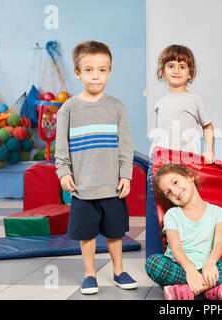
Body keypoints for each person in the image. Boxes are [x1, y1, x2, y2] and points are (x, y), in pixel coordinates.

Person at [55, 40, 137, 294]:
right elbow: (62, 148)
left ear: (110, 72)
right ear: (78, 73)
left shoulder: (117, 107)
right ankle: (90, 274)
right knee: (86, 235)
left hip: (111, 186)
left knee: (115, 233)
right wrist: (64, 172)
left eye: (102, 70)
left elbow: (125, 146)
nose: (96, 75)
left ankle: (118, 271)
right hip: (83, 187)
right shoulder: (68, 109)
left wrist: (126, 176)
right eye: (89, 70)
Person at [145, 163, 222, 300]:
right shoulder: (172, 215)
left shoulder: (218, 212)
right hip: (181, 270)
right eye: (168, 192)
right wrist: (190, 270)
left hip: (209, 269)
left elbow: (220, 243)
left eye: (175, 182)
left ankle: (186, 290)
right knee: (153, 264)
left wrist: (211, 262)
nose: (174, 191)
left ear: (189, 177)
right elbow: (176, 248)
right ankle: (210, 288)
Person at [146, 45, 215, 257]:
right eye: (171, 65)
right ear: (163, 71)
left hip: (186, 162)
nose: (176, 70)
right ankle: (163, 250)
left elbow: (208, 126)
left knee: (186, 203)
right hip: (163, 161)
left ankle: (192, 249)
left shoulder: (195, 99)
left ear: (190, 73)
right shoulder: (160, 102)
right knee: (162, 203)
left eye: (182, 66)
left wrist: (209, 151)